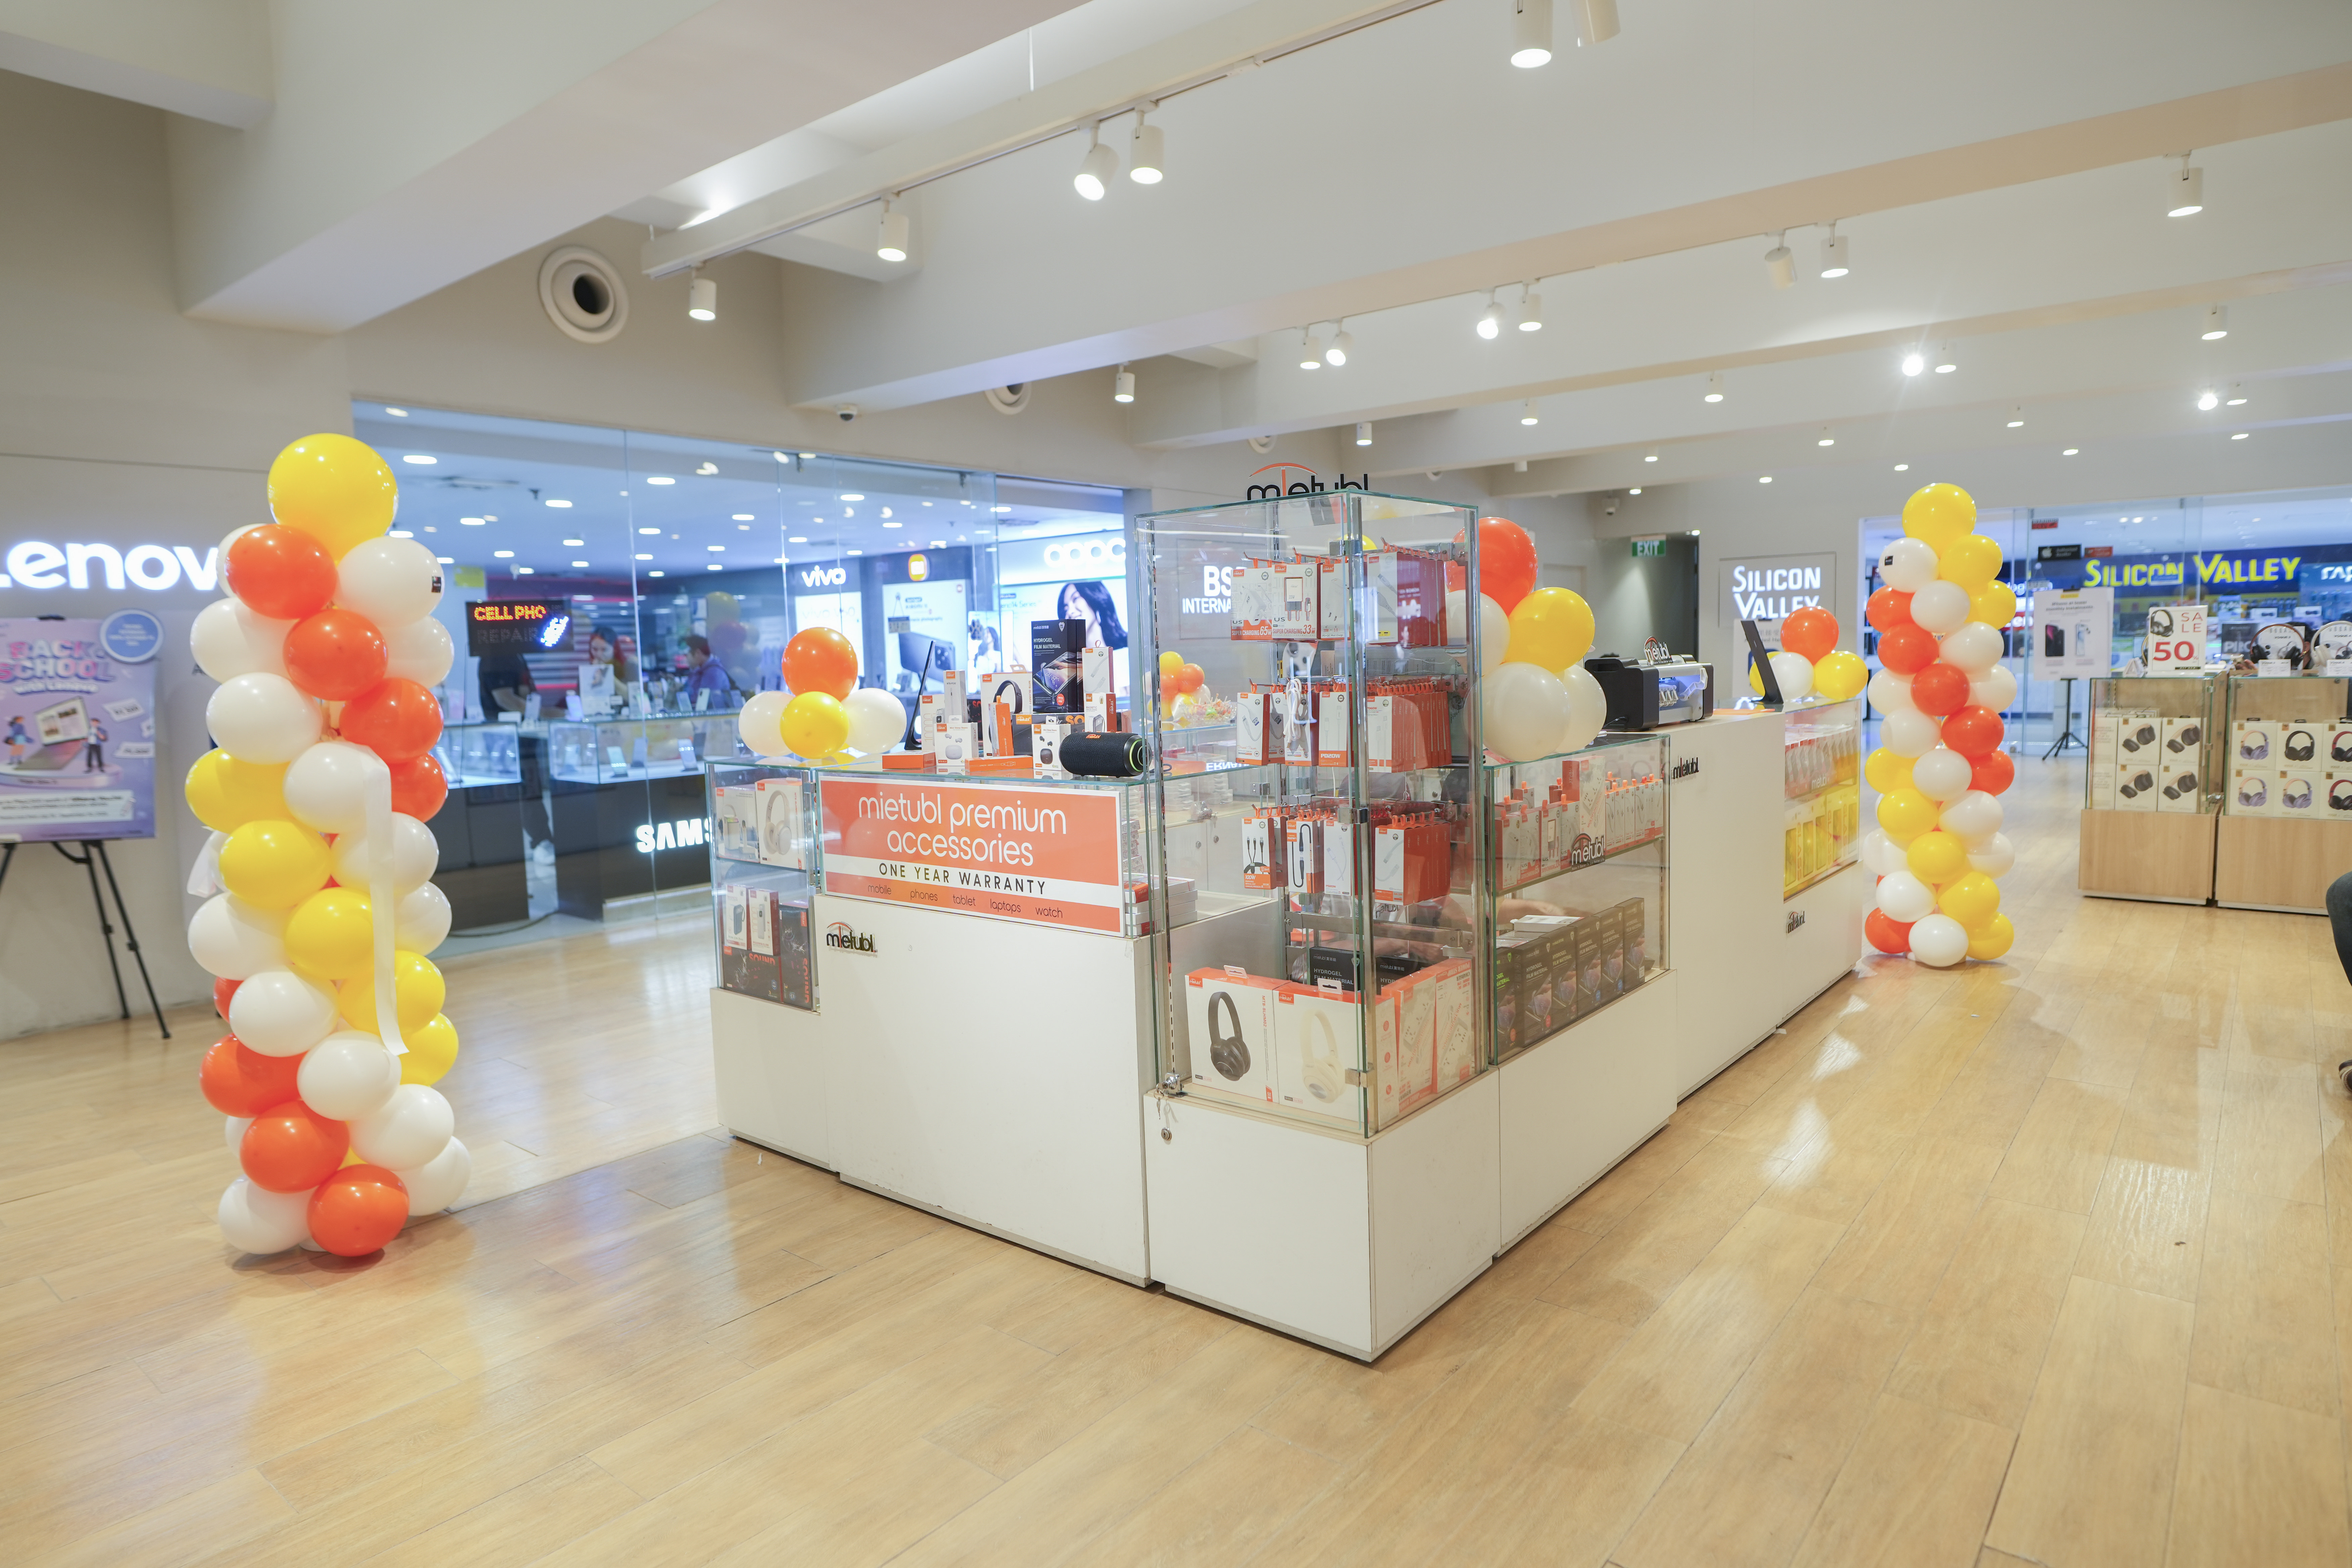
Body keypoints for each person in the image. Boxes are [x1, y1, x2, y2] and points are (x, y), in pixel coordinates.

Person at [1057, 579, 1129, 650]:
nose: (1070, 612)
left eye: (1076, 599)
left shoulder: (1127, 649)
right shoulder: (1068, 657)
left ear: (1094, 600)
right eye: (1066, 609)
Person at [681, 634, 734, 707]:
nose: (686, 659)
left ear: (698, 653)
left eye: (687, 655)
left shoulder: (713, 674)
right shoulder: (699, 671)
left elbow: (704, 703)